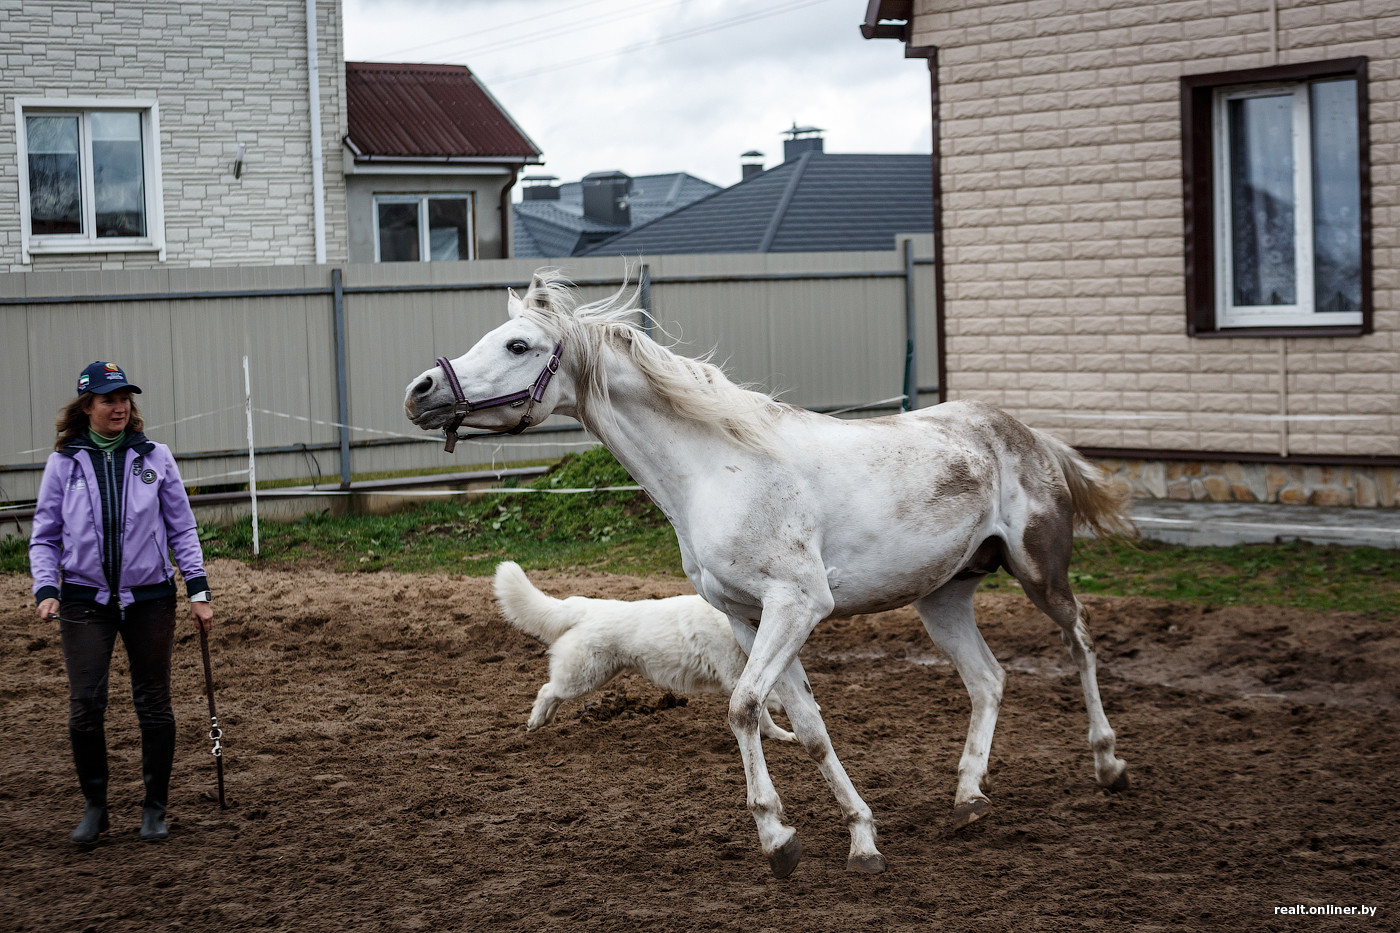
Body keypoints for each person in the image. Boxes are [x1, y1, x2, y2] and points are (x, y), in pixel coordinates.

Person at [29, 361, 214, 844]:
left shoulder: (157, 457)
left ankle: (155, 807)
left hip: (150, 597)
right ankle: (96, 807)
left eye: (124, 398)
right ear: (87, 406)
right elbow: (45, 535)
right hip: (83, 599)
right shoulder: (63, 463)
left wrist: (198, 589)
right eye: (108, 399)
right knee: (85, 706)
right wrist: (46, 587)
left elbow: (182, 527)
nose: (119, 406)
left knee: (154, 704)